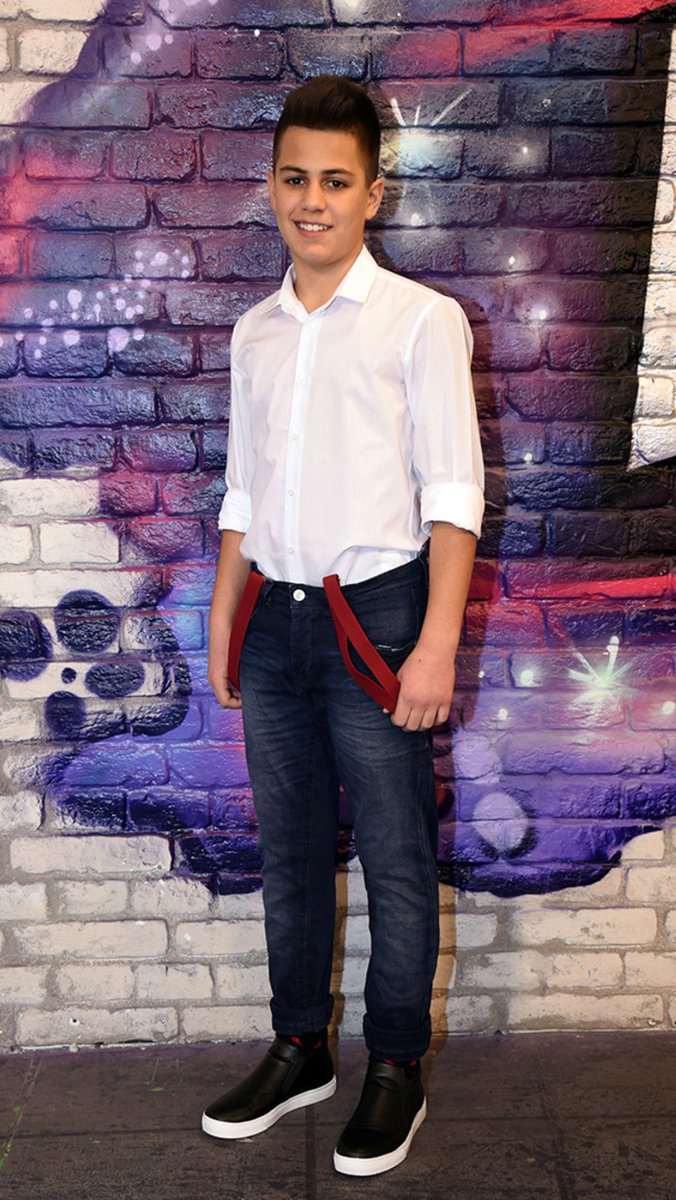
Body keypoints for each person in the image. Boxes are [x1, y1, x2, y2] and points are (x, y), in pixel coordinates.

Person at [201, 74, 484, 1178]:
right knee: (290, 851)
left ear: (374, 193)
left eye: (335, 180)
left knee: (397, 857)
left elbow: (452, 497)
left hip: (380, 619)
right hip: (272, 621)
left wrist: (437, 643)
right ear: (271, 186)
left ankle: (397, 1064)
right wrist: (224, 616)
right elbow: (242, 491)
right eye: (294, 178)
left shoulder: (421, 321)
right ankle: (301, 1048)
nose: (310, 200)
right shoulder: (254, 333)